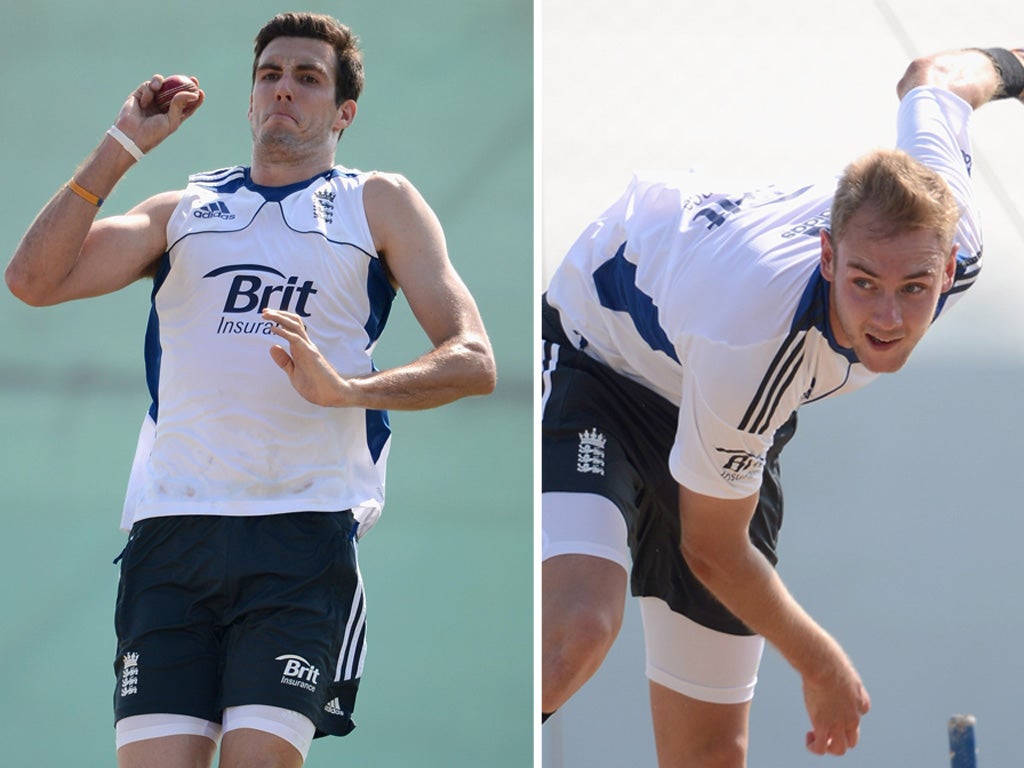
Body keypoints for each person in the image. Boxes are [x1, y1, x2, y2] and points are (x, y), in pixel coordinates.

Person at [6, 12, 495, 768]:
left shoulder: (379, 202)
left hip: (299, 534)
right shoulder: (182, 211)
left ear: (343, 112)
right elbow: (31, 281)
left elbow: (472, 359)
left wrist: (343, 391)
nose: (283, 92)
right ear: (249, 97)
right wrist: (123, 145)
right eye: (270, 75)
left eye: (307, 78)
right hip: (171, 533)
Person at [541, 46, 1024, 765]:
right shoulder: (755, 340)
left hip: (722, 397)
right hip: (602, 361)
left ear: (949, 266)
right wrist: (822, 665)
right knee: (576, 632)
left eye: (915, 287)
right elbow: (712, 549)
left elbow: (936, 78)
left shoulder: (955, 229)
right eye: (863, 282)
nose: (888, 316)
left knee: (709, 754)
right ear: (829, 257)